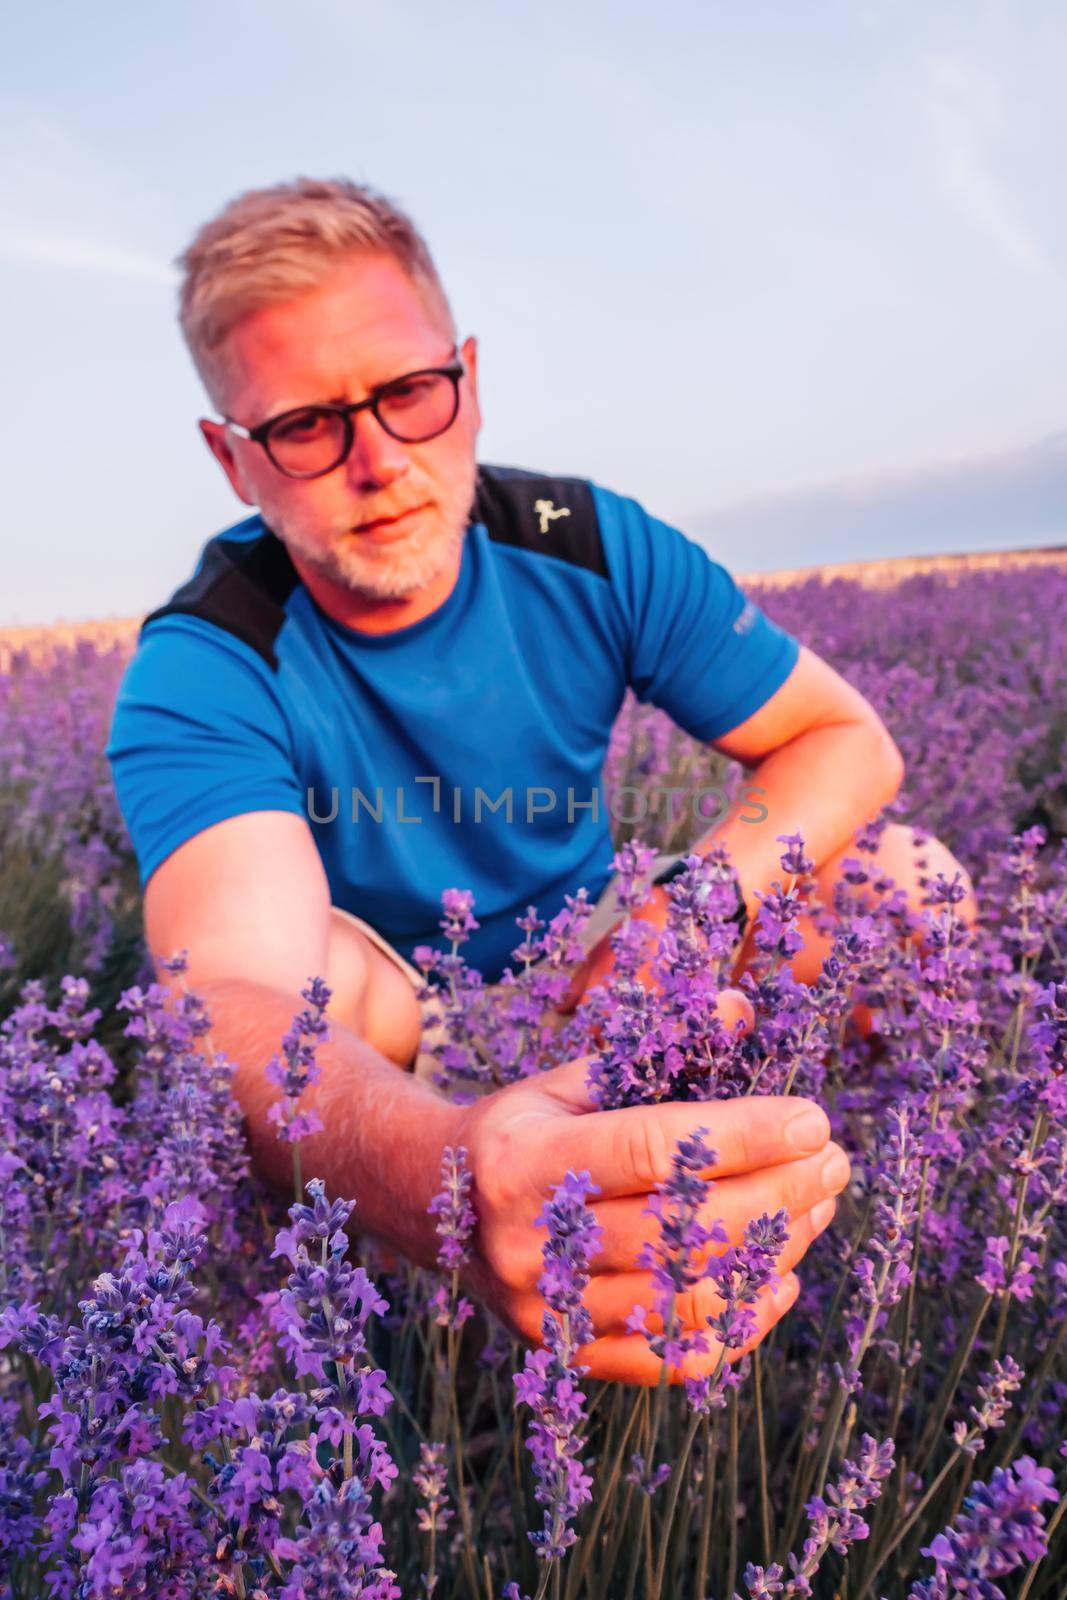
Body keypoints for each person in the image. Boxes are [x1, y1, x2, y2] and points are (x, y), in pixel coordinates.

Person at [105, 177, 976, 1385]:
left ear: (464, 377)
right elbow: (236, 994)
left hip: (597, 974)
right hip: (400, 1046)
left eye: (409, 392)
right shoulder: (207, 660)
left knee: (906, 883)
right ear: (232, 460)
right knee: (310, 1005)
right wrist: (449, 1176)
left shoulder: (581, 542)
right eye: (306, 425)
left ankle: (822, 1237)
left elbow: (844, 739)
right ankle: (348, 1345)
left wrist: (697, 910)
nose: (377, 460)